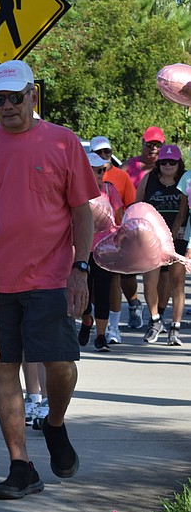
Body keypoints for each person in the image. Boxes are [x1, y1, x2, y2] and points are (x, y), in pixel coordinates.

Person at [0, 60, 98, 500]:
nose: (6, 107)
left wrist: (81, 269)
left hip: (51, 276)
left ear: (32, 96)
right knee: (4, 369)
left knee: (61, 364)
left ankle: (56, 424)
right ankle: (20, 465)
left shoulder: (62, 143)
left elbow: (82, 211)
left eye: (14, 97)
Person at [135, 144, 188, 345]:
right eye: (163, 161)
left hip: (179, 239)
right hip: (152, 239)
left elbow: (185, 211)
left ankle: (175, 327)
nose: (167, 165)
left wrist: (178, 238)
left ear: (178, 163)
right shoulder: (149, 179)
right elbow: (137, 205)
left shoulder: (185, 180)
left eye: (172, 162)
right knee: (149, 282)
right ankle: (155, 320)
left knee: (177, 283)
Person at [90, 135, 143, 336]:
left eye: (107, 152)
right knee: (91, 289)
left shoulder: (120, 177)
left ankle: (111, 329)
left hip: (110, 243)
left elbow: (128, 207)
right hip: (86, 245)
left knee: (112, 284)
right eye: (99, 153)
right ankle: (91, 321)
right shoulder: (80, 181)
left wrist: (127, 235)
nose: (104, 156)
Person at [79, 152, 125, 352]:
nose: (100, 174)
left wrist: (122, 240)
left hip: (105, 249)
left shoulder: (109, 190)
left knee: (103, 291)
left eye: (102, 170)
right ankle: (86, 319)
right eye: (96, 170)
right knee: (84, 292)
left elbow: (120, 217)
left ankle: (100, 336)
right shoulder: (75, 191)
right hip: (82, 249)